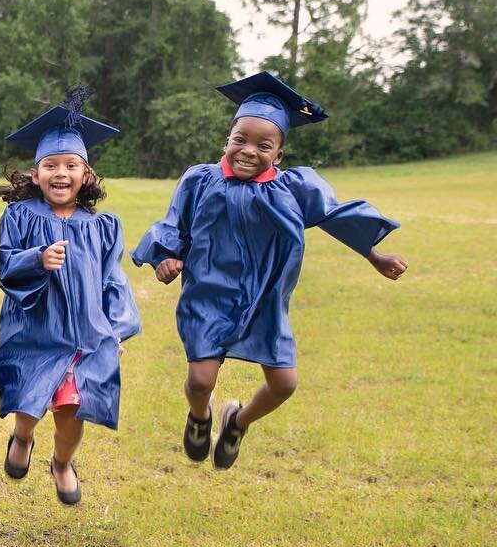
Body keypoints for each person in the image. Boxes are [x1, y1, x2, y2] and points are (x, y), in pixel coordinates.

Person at [131, 71, 407, 469]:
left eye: (264, 145)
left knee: (284, 384)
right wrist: (165, 256)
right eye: (239, 139)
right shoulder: (200, 181)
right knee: (199, 382)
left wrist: (375, 256)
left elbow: (335, 215)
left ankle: (236, 422)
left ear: (278, 155)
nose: (248, 150)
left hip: (265, 299)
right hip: (208, 294)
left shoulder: (294, 188)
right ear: (226, 140)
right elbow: (174, 223)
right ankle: (200, 415)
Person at [0, 89, 141, 505]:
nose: (61, 172)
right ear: (36, 174)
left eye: (71, 165)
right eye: (50, 165)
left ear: (86, 175)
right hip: (35, 333)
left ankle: (61, 462)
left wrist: (114, 332)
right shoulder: (19, 217)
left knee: (72, 410)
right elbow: (6, 266)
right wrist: (37, 259)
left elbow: (114, 281)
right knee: (29, 401)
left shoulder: (103, 226)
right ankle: (22, 437)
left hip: (85, 337)